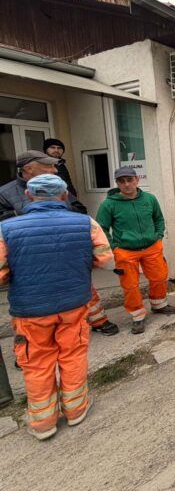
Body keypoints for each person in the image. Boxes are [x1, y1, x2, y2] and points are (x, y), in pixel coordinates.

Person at [1, 174, 113, 439]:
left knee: (37, 363)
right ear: (64, 195)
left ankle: (43, 423)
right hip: (74, 303)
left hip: (31, 309)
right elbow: (105, 259)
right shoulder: (86, 223)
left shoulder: (6, 229)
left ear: (28, 195)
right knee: (72, 355)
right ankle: (76, 410)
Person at [0, 151, 117, 336]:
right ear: (28, 169)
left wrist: (66, 224)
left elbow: (79, 208)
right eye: (48, 166)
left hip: (67, 250)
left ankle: (98, 320)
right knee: (40, 304)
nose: (54, 170)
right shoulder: (5, 193)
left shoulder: (58, 186)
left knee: (81, 288)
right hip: (31, 259)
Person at [96, 167, 175, 335]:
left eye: (129, 180)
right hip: (126, 251)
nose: (126, 184)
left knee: (159, 277)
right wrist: (114, 248)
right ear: (117, 183)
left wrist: (158, 236)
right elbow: (101, 229)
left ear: (137, 180)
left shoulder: (149, 199)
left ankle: (159, 304)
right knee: (130, 285)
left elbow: (158, 219)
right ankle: (137, 315)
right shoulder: (109, 204)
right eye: (121, 181)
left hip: (152, 247)